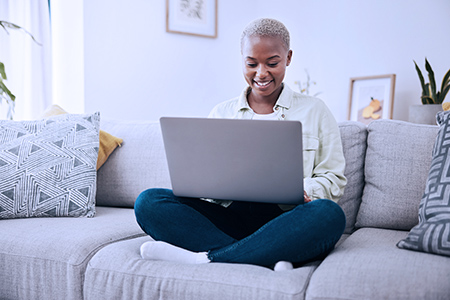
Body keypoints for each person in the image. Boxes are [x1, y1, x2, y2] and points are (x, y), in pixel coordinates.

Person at [134, 18, 347, 271]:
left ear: (288, 58)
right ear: (242, 60)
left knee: (329, 215)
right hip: (230, 217)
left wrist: (303, 189)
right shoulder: (222, 113)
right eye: (251, 63)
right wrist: (205, 184)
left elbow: (333, 179)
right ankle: (266, 254)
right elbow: (204, 180)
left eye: (273, 63)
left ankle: (207, 258)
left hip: (287, 219)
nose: (261, 73)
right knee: (148, 201)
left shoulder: (315, 111)